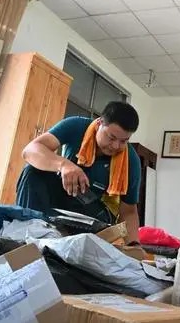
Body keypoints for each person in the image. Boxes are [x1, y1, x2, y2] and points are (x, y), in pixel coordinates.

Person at [16, 101, 142, 244]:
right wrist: (64, 165)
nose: (115, 146)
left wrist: (134, 246)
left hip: (93, 213)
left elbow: (129, 211)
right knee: (32, 171)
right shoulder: (76, 126)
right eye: (111, 137)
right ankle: (25, 237)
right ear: (100, 123)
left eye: (123, 141)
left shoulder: (131, 161)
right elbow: (30, 151)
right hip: (62, 194)